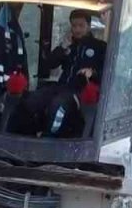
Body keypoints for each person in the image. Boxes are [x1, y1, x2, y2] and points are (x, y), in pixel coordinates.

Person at [9, 9, 107, 138]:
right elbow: (49, 64)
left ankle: (49, 138)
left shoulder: (99, 47)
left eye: (81, 26)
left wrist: (92, 73)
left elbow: (107, 73)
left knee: (59, 104)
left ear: (88, 26)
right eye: (74, 26)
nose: (77, 29)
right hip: (61, 86)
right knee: (32, 99)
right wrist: (62, 48)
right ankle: (21, 134)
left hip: (81, 92)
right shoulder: (69, 46)